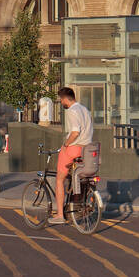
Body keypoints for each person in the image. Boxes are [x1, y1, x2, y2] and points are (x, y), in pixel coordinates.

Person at [50, 87, 94, 225]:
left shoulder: (72, 111)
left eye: (60, 100)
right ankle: (75, 203)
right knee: (77, 175)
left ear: (64, 99)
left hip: (74, 148)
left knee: (59, 179)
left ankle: (60, 215)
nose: (61, 102)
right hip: (86, 149)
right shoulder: (84, 109)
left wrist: (65, 144)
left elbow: (75, 132)